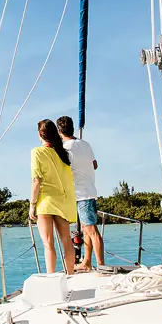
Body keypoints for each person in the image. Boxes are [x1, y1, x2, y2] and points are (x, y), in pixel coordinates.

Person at [28, 119, 77, 275]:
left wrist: (32, 205)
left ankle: (51, 277)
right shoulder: (63, 154)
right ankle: (70, 275)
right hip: (63, 202)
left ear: (40, 134)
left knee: (48, 243)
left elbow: (36, 181)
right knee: (66, 240)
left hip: (45, 202)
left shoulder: (37, 152)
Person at [57, 115, 104, 273]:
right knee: (85, 230)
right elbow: (95, 165)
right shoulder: (85, 144)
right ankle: (87, 262)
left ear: (59, 131)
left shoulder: (65, 148)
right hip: (90, 191)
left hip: (81, 194)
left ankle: (102, 266)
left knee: (92, 231)